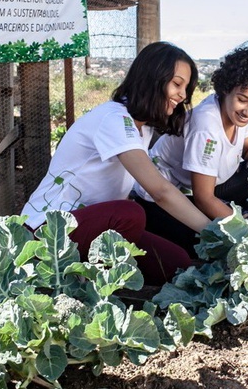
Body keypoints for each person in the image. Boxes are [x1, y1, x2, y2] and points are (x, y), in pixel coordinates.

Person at [21, 42, 213, 285]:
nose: (183, 95)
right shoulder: (114, 119)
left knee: (176, 263)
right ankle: (79, 280)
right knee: (130, 214)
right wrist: (213, 231)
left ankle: (85, 272)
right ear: (152, 78)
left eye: (187, 88)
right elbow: (161, 191)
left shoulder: (141, 128)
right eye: (177, 84)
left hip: (86, 225)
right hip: (47, 231)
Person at [136, 47, 248, 255]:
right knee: (205, 244)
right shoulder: (206, 125)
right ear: (225, 90)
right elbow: (203, 198)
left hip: (208, 185)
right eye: (242, 100)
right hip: (168, 197)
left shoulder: (241, 116)